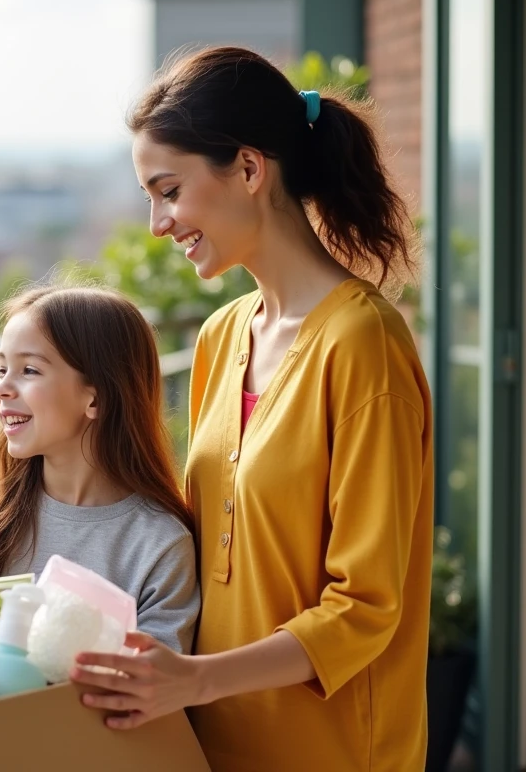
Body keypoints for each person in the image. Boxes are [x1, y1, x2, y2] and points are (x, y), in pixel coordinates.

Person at [72, 46, 434, 770]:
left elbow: (365, 607)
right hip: (209, 740)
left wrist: (197, 678)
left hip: (333, 751)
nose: (157, 223)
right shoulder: (223, 336)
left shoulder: (363, 344)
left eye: (168, 190)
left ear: (247, 169)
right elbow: (193, 545)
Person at [0, 282, 200, 655]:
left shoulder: (160, 544)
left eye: (29, 370)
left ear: (96, 398)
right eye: (1, 369)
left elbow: (152, 688)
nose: (1, 388)